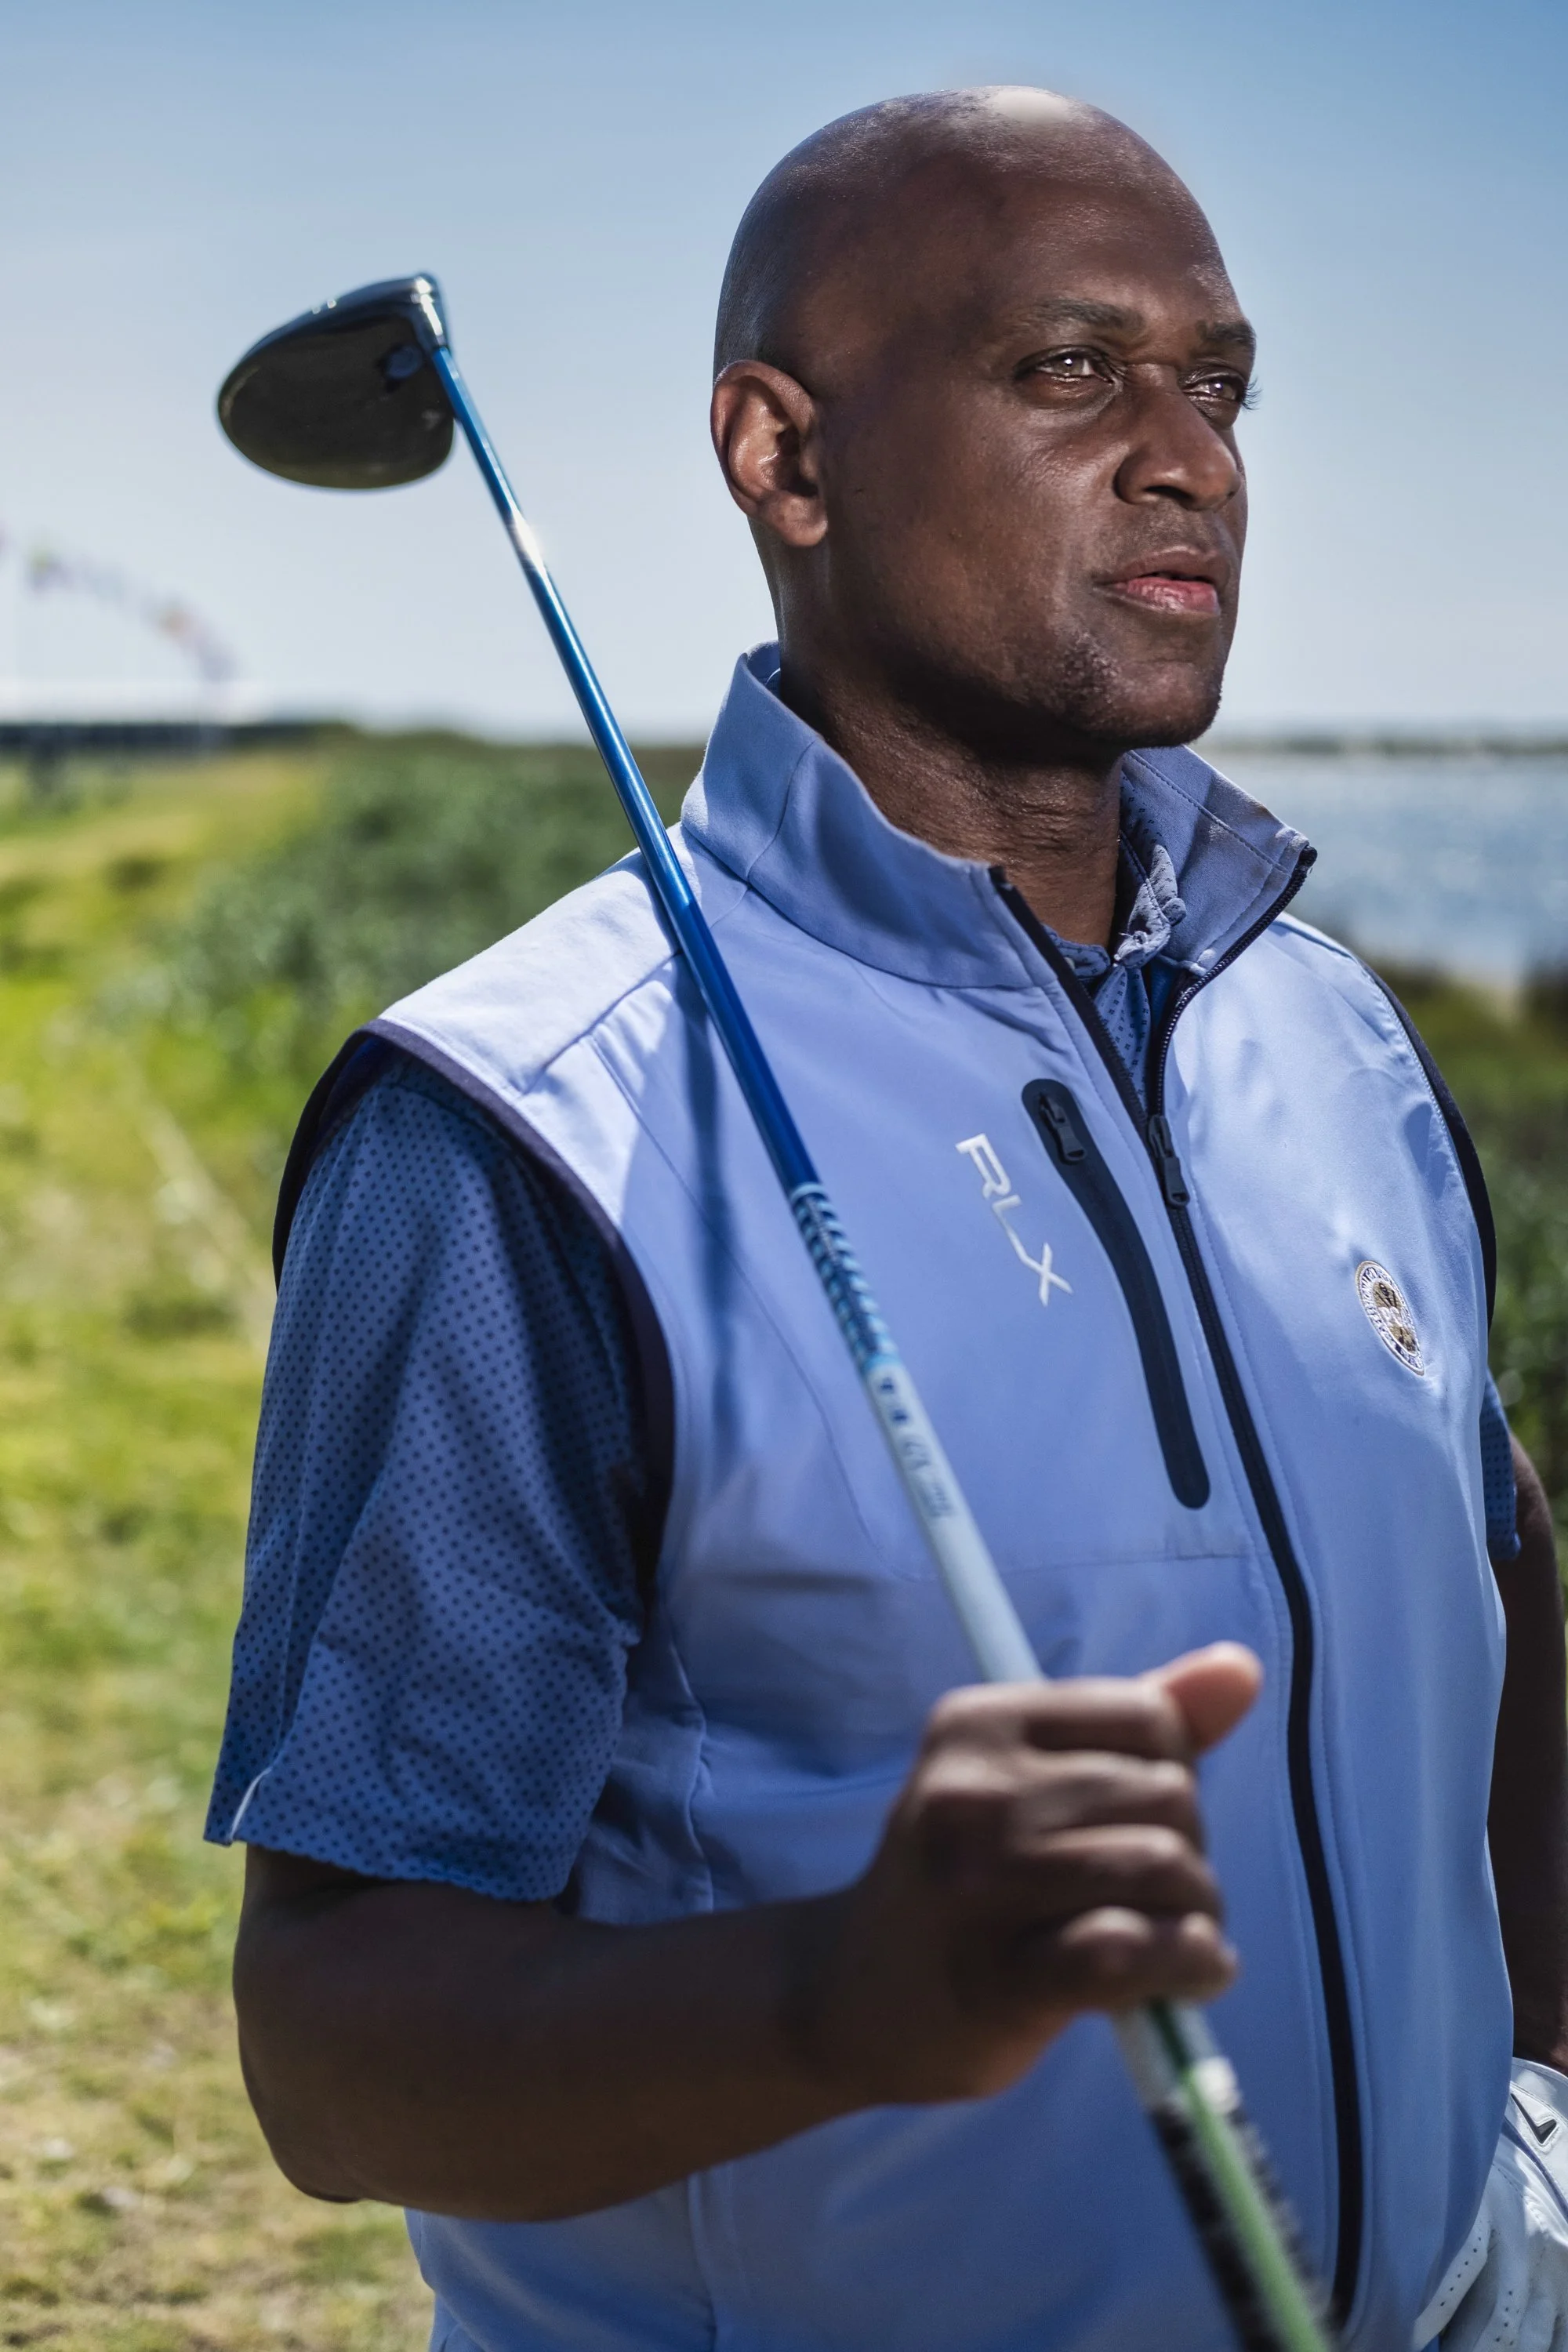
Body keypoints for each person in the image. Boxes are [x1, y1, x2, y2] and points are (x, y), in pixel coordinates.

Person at [208, 88, 1568, 2351]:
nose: (1191, 460)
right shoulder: (518, 1131)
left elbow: (1492, 1577)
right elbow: (337, 2051)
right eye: (1071, 369)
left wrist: (1531, 2109)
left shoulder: (1336, 1032)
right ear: (785, 456)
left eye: (1221, 387)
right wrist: (841, 1995)